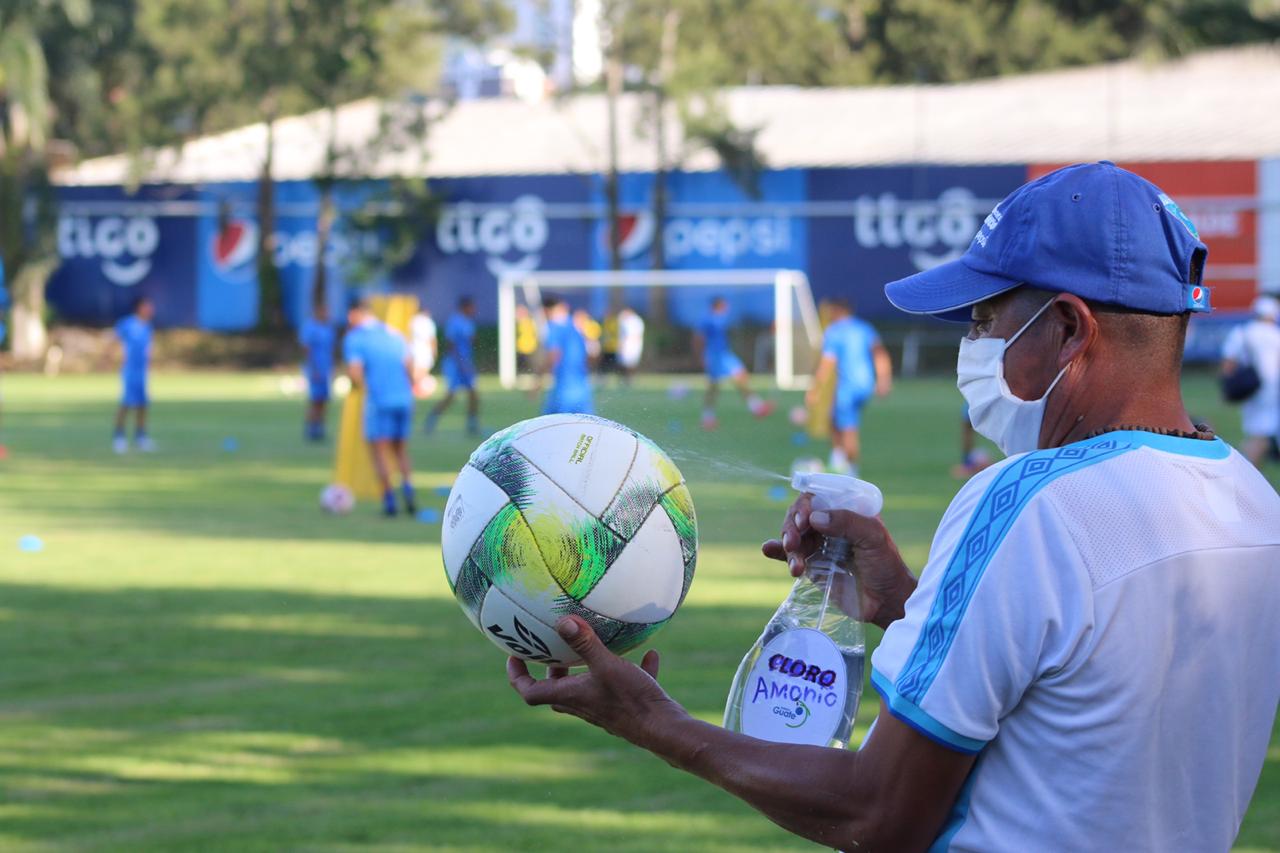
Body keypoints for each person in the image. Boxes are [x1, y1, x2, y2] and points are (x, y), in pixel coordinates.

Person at [505, 162, 1280, 852]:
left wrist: (656, 723)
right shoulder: (1253, 503)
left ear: (1070, 329)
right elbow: (1090, 695)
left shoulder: (1029, 504)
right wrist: (908, 603)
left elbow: (880, 814)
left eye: (985, 321)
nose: (970, 347)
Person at [343, 298, 416, 518]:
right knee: (400, 449)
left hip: (380, 400)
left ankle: (390, 501)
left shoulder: (356, 338)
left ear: (355, 313)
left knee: (379, 451)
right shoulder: (394, 334)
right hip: (404, 399)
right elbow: (410, 367)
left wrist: (361, 388)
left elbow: (355, 372)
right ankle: (409, 493)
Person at [806, 298, 891, 475]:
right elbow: (880, 354)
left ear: (837, 311)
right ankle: (837, 460)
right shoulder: (864, 328)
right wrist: (883, 380)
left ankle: (851, 471)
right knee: (835, 421)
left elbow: (827, 363)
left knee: (848, 428)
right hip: (866, 385)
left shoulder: (834, 331)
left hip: (848, 387)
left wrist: (815, 389)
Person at [694, 296, 774, 430]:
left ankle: (756, 407)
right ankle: (707, 417)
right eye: (725, 305)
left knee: (740, 376)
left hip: (724, 355)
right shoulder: (707, 319)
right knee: (714, 387)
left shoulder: (721, 319)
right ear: (718, 306)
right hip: (715, 357)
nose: (727, 308)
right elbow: (697, 338)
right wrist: (700, 356)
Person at [1220, 294, 1280, 467]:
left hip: (1250, 388)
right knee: (1262, 434)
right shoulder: (1275, 334)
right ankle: (1244, 469)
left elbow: (1228, 363)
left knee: (1257, 431)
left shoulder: (1242, 332)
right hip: (1271, 390)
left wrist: (1228, 387)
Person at [426, 296, 480, 436]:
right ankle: (432, 419)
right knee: (451, 395)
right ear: (465, 307)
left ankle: (472, 424)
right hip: (456, 363)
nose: (474, 310)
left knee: (473, 393)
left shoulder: (468, 322)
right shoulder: (455, 321)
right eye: (472, 307)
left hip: (465, 362)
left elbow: (470, 341)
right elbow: (451, 344)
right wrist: (461, 363)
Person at [113, 296, 156, 454]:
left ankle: (141, 437)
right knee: (126, 403)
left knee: (143, 405)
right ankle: (119, 437)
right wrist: (112, 359)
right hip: (129, 370)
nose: (150, 309)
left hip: (142, 372)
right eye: (147, 306)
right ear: (139, 308)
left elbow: (148, 351)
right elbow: (114, 342)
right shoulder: (127, 324)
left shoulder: (147, 327)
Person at [542, 297, 594, 415]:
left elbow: (553, 355)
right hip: (582, 388)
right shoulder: (577, 326)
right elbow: (592, 353)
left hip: (563, 390)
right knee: (585, 426)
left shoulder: (553, 327)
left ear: (546, 311)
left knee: (549, 427)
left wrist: (538, 381)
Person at [298, 304, 335, 442]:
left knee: (324, 399)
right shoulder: (310, 327)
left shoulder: (328, 327)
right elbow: (306, 349)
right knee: (315, 399)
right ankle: (311, 428)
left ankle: (320, 427)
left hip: (326, 368)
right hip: (315, 370)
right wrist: (313, 368)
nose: (327, 314)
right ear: (318, 311)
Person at [410, 305, 438, 397]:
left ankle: (415, 391)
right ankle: (419, 392)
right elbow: (432, 339)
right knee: (422, 375)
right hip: (425, 351)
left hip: (413, 351)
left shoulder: (412, 320)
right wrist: (434, 352)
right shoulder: (428, 322)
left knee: (414, 375)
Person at [616, 306, 645, 386]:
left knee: (630, 363)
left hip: (631, 345)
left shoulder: (633, 321)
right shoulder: (629, 321)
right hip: (631, 345)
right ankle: (625, 379)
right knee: (625, 363)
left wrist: (622, 344)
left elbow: (630, 335)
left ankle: (629, 379)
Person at [514, 304, 539, 374]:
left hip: (530, 347)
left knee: (531, 365)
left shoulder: (529, 321)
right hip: (522, 347)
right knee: (522, 366)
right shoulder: (519, 323)